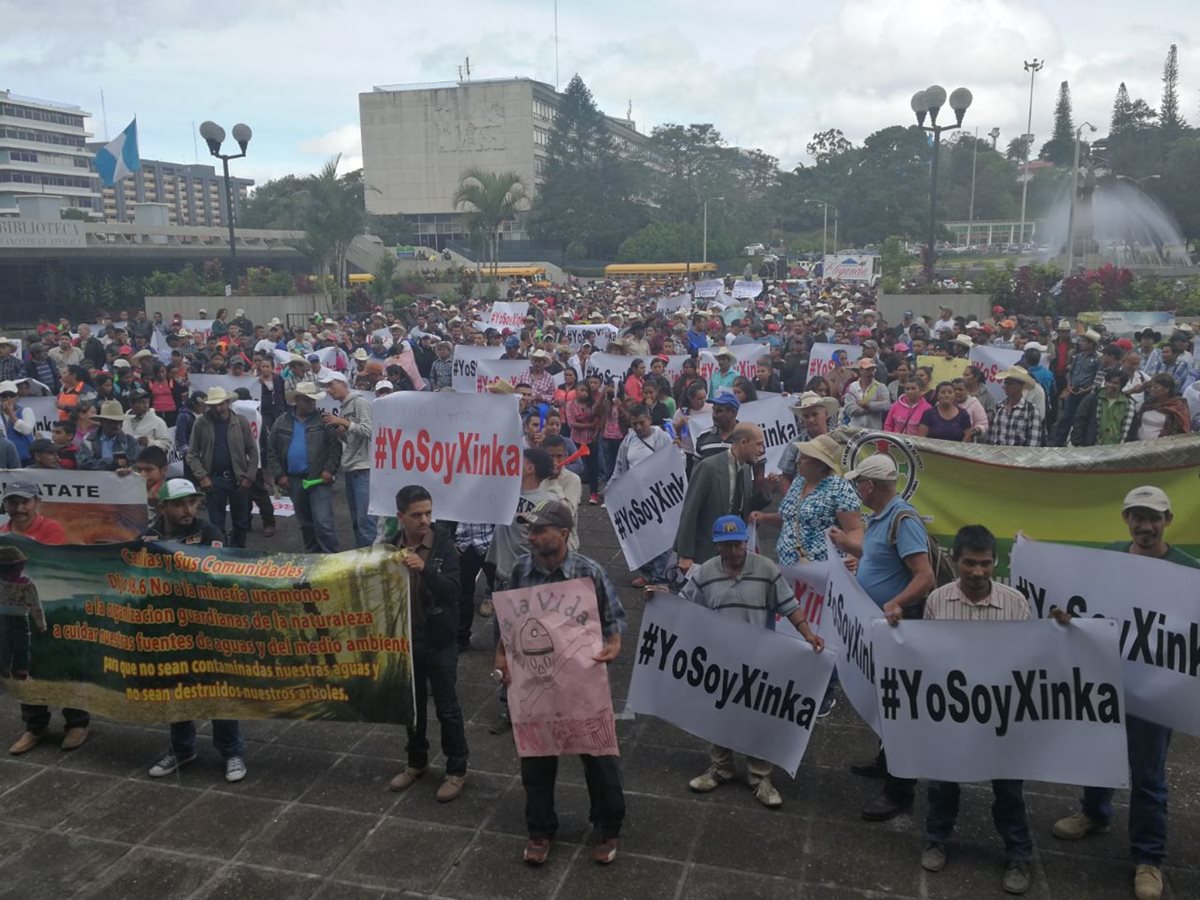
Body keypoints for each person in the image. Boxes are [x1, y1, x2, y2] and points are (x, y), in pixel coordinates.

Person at [1051, 486, 1199, 900]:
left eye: (1153, 517)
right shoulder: (1110, 554)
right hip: (1107, 682)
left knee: (1148, 775)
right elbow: (1088, 606)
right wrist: (1069, 616)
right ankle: (1095, 813)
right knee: (1099, 755)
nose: (1145, 526)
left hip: (1155, 693)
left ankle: (1149, 858)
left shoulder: (1188, 571)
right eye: (1137, 516)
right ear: (1125, 519)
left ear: (1168, 520)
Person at [493, 500, 627, 866]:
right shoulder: (521, 570)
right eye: (530, 530)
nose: (531, 537)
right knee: (536, 758)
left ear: (564, 534)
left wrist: (613, 645)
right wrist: (502, 654)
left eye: (539, 531)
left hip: (582, 684)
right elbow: (507, 623)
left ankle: (608, 826)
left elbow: (614, 617)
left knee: (599, 757)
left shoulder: (589, 572)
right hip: (536, 685)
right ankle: (539, 830)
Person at [674, 515, 824, 808]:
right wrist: (659, 600)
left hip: (758, 660)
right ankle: (720, 768)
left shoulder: (766, 569)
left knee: (757, 717)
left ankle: (760, 777)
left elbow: (789, 605)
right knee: (719, 714)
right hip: (720, 660)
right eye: (726, 546)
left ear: (746, 541)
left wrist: (808, 635)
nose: (733, 551)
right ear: (717, 546)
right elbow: (684, 605)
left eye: (737, 544)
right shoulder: (705, 573)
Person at [919, 525, 1034, 896]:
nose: (978, 572)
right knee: (943, 782)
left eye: (985, 564)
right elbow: (925, 653)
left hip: (1000, 715)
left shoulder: (1016, 602)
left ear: (995, 562)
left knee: (1009, 789)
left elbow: (1032, 656)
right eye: (970, 563)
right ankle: (936, 839)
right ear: (955, 561)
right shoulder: (937, 600)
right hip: (954, 712)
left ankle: (1019, 854)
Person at [830, 454, 934, 821]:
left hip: (898, 628)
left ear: (870, 486)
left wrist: (896, 602)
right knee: (884, 699)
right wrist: (847, 543)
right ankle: (886, 761)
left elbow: (924, 576)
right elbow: (877, 555)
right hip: (879, 627)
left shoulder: (903, 520)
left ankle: (900, 789)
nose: (857, 489)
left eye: (859, 483)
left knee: (899, 705)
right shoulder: (882, 519)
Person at [141, 478, 245, 780]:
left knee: (218, 687)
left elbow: (217, 572)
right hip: (170, 627)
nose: (188, 509)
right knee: (176, 687)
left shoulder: (209, 532)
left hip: (208, 625)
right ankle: (181, 748)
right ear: (163, 507)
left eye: (192, 502)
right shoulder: (149, 535)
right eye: (179, 504)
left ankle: (232, 751)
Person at [385, 485, 469, 803]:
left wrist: (426, 572)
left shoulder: (443, 545)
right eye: (417, 514)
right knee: (414, 707)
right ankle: (416, 762)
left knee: (447, 708)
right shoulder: (391, 545)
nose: (425, 520)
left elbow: (453, 590)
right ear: (400, 517)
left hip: (439, 640)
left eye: (428, 513)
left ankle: (457, 769)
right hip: (407, 640)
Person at [1, 481, 88, 754]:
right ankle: (34, 726)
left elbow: (52, 568)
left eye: (25, 501)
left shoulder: (51, 529)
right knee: (23, 670)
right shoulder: (2, 533)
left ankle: (77, 723)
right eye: (12, 502)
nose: (19, 508)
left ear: (36, 502)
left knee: (60, 666)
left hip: (49, 613)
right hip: (10, 620)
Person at [674, 424, 768, 571]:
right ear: (743, 443)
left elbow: (744, 508)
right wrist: (685, 554)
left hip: (733, 554)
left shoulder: (746, 468)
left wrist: (766, 490)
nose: (761, 450)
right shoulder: (709, 467)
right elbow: (690, 510)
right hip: (706, 554)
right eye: (758, 444)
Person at [267, 382, 341, 554]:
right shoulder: (281, 422)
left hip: (318, 479)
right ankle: (313, 557)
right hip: (293, 480)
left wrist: (329, 469)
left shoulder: (324, 421)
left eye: (313, 400)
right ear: (297, 400)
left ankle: (331, 558)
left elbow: (334, 448)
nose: (312, 404)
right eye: (308, 400)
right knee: (305, 523)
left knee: (323, 523)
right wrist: (279, 475)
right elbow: (271, 450)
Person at [608, 404, 674, 587]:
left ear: (649, 420)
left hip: (660, 496)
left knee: (661, 537)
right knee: (641, 537)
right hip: (636, 497)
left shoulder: (663, 438)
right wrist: (611, 490)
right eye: (634, 424)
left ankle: (659, 575)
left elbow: (675, 461)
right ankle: (646, 573)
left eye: (641, 423)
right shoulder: (629, 440)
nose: (637, 427)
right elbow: (620, 467)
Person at [185, 386, 258, 549]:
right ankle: (221, 555)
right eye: (214, 405)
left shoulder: (241, 422)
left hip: (238, 479)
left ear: (227, 403)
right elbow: (192, 454)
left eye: (221, 404)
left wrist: (249, 476)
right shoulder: (201, 424)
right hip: (214, 479)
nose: (218, 408)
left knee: (241, 522)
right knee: (216, 523)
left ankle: (238, 554)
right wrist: (202, 476)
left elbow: (253, 451)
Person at [318, 371, 376, 547]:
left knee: (365, 520)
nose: (329, 390)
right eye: (327, 387)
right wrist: (341, 432)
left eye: (331, 385)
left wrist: (345, 423)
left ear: (343, 383)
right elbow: (352, 439)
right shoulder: (344, 406)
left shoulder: (360, 402)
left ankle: (371, 562)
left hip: (364, 468)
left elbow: (370, 431)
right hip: (352, 468)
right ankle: (362, 556)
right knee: (356, 520)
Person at [988, 368, 1046, 447]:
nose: (1006, 386)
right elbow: (991, 437)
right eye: (1005, 383)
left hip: (1020, 458)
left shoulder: (1032, 410)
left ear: (1021, 386)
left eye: (1010, 383)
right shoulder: (999, 408)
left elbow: (1033, 444)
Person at [76, 401, 139, 472]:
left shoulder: (130, 441)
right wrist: (114, 463)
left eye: (120, 422)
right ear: (102, 422)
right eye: (113, 422)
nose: (117, 425)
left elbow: (136, 465)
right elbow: (82, 464)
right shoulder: (88, 441)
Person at [1131, 374, 1190, 440]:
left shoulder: (1177, 407)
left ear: (1167, 389)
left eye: (1156, 387)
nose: (1152, 389)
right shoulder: (1148, 404)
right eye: (1151, 386)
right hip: (1138, 443)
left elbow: (1181, 428)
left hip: (1161, 446)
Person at [843, 358, 891, 431]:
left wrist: (866, 405)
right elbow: (850, 409)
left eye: (873, 369)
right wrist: (874, 407)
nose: (871, 372)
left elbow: (886, 406)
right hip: (855, 430)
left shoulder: (881, 387)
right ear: (860, 370)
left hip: (874, 430)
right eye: (868, 369)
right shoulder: (852, 387)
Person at [122, 388, 174, 452]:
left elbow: (167, 443)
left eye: (147, 402)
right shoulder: (122, 420)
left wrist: (149, 442)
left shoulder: (157, 421)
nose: (146, 406)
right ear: (131, 404)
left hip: (148, 460)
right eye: (141, 402)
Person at [694, 390, 740, 458]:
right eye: (713, 410)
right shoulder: (703, 437)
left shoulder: (747, 437)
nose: (714, 415)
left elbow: (757, 466)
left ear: (733, 413)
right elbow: (697, 467)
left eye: (719, 411)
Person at [0, 380, 36, 466]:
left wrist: (11, 415)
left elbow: (26, 430)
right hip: (4, 458)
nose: (8, 398)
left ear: (17, 397)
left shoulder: (26, 410)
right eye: (4, 395)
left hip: (25, 457)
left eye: (11, 395)